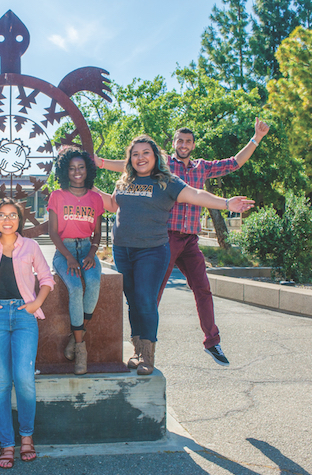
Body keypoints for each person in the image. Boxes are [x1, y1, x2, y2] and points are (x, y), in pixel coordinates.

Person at [95, 118, 269, 365]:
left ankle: (198, 343)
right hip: (146, 242)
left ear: (193, 144)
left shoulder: (187, 173)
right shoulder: (143, 173)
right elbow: (118, 190)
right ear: (174, 143)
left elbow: (218, 176)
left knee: (183, 291)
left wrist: (227, 201)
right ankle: (140, 348)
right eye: (180, 140)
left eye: (188, 141)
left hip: (174, 242)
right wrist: (95, 170)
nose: (141, 157)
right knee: (141, 298)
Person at [0, 198, 54, 469]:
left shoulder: (30, 246)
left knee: (24, 378)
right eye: (2, 215)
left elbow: (47, 278)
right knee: (1, 381)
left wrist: (37, 303)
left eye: (12, 215)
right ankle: (7, 443)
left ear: (20, 219)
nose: (7, 220)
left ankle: (26, 437)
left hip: (25, 316)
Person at [47, 146, 103, 375]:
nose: (77, 172)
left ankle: (76, 336)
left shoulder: (96, 198)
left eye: (81, 167)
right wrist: (69, 258)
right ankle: (81, 349)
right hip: (64, 251)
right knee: (75, 287)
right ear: (65, 172)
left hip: (87, 249)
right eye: (72, 169)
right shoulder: (57, 196)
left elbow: (98, 233)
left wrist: (91, 254)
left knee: (94, 283)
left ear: (87, 170)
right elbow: (52, 233)